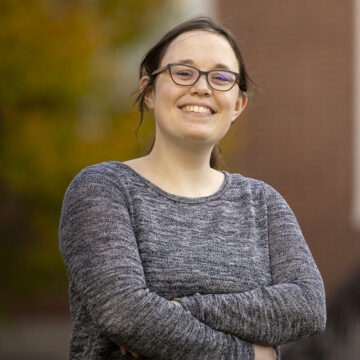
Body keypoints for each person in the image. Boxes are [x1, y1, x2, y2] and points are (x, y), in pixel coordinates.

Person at [59, 17, 326, 360]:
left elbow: (308, 306)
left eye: (221, 77)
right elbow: (124, 313)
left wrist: (179, 310)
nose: (202, 87)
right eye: (183, 72)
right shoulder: (103, 190)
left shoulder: (263, 203)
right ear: (150, 92)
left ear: (238, 105)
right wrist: (249, 356)